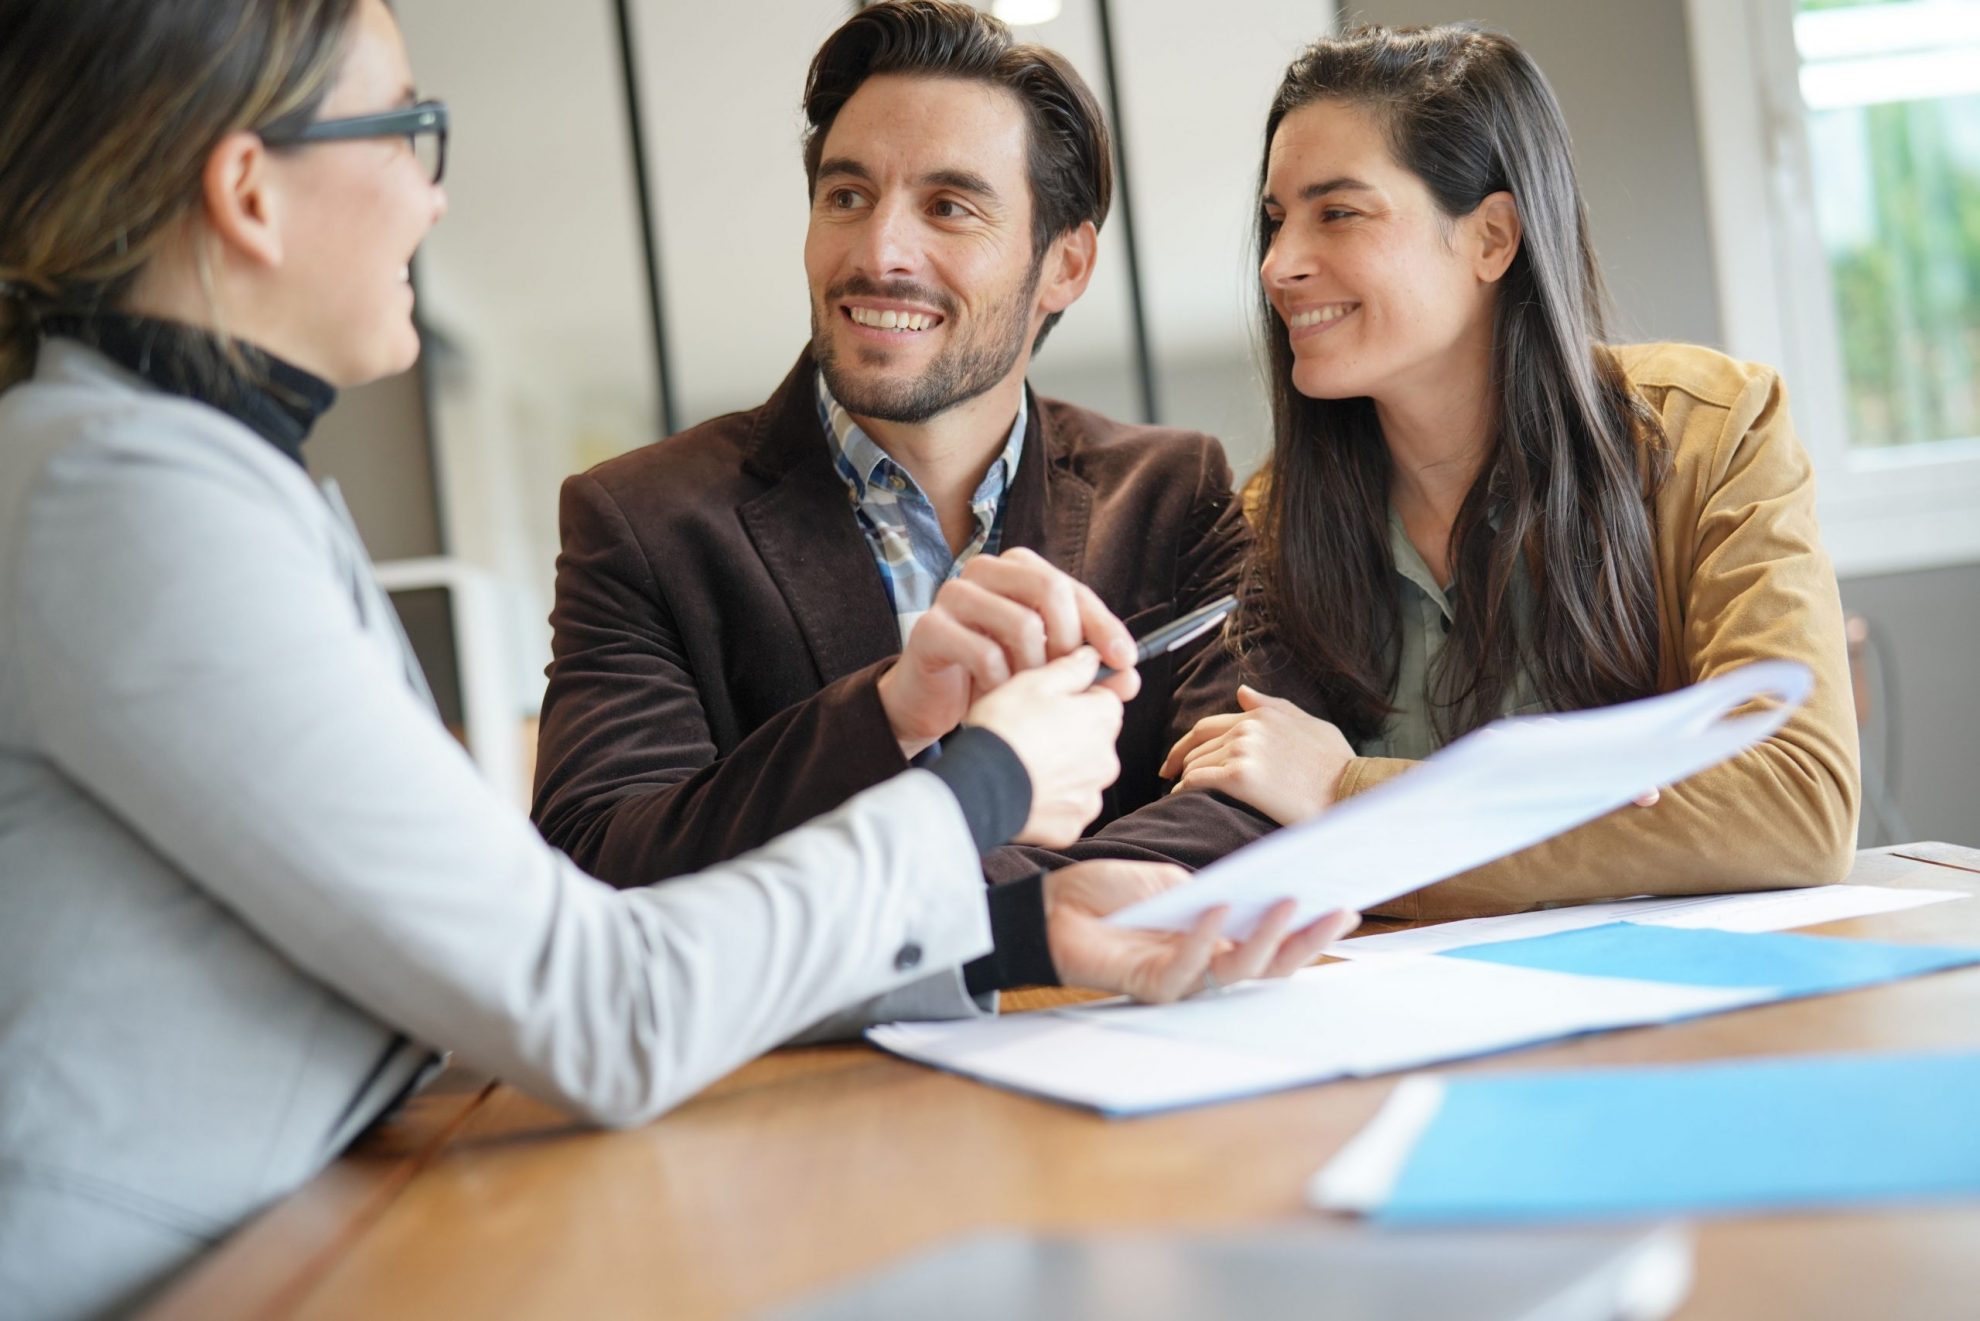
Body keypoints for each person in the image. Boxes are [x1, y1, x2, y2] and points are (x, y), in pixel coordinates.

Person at [0, 3, 1352, 1315]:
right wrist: (981, 784)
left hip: (312, 1221)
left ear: (1064, 265)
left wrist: (1009, 929)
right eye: (409, 131)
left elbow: (513, 967)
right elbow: (592, 974)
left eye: (950, 204)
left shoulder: (197, 481)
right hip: (193, 1269)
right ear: (248, 190)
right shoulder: (124, 499)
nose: (432, 198)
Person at [530, 0, 1277, 893]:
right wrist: (900, 735)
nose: (880, 250)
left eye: (949, 206)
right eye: (847, 196)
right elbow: (596, 861)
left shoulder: (1174, 491)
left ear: (1065, 265)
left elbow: (1246, 798)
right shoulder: (643, 521)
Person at [1162, 23, 1860, 920]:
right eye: (1275, 219)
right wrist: (1592, 818)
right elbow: (1244, 824)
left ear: (1493, 237)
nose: (1278, 265)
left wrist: (1348, 792)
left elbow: (1793, 803)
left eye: (1337, 212)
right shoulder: (1267, 517)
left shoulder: (1711, 433)